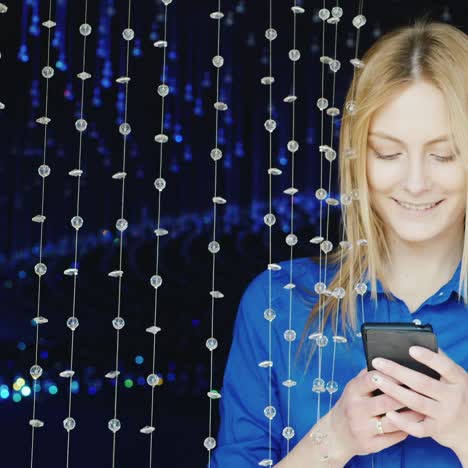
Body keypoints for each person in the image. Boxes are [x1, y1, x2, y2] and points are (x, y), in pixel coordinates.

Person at [209, 17, 468, 468]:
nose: (415, 181)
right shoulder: (278, 303)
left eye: (443, 154)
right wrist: (331, 441)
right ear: (357, 156)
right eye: (388, 153)